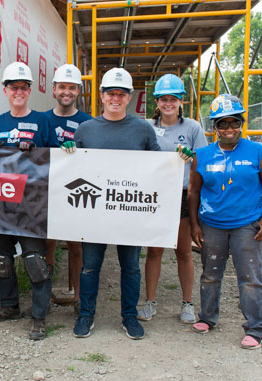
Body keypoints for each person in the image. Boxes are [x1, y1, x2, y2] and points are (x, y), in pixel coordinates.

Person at [65, 67, 160, 340]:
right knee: (90, 266)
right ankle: (86, 315)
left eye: (121, 93)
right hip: (94, 212)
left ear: (129, 97)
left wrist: (179, 159)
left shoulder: (143, 129)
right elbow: (73, 167)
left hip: (129, 211)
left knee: (130, 266)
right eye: (110, 93)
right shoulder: (86, 130)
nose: (115, 98)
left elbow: (158, 166)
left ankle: (129, 317)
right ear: (101, 95)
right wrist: (68, 153)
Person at [188, 93, 262, 349]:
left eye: (234, 122)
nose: (229, 129)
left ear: (241, 123)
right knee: (210, 274)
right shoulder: (202, 155)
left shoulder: (258, 152)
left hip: (246, 226)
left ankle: (255, 328)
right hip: (212, 224)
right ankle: (207, 317)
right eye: (223, 124)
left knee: (250, 277)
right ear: (214, 127)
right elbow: (194, 191)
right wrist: (195, 224)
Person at [0, 61, 58, 341]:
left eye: (23, 87)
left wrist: (37, 150)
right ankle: (9, 306)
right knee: (2, 258)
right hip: (2, 205)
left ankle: (39, 317)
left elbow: (54, 159)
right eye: (13, 87)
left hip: (32, 204)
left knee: (34, 261)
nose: (18, 91)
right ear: (5, 90)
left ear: (29, 91)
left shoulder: (43, 121)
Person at [137, 74, 207, 324]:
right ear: (156, 101)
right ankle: (150, 302)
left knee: (183, 251)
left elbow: (203, 161)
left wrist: (192, 157)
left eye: (173, 99)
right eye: (163, 99)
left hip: (182, 194)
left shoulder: (192, 128)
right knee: (154, 250)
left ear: (181, 101)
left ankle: (187, 303)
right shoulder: (146, 126)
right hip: (155, 195)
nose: (168, 104)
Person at [44, 64, 92, 314]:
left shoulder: (88, 122)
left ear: (78, 91)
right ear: (54, 89)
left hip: (78, 193)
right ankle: (46, 295)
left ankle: (78, 298)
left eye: (72, 87)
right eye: (62, 86)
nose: (67, 91)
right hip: (50, 193)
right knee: (48, 246)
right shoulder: (43, 119)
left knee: (77, 246)